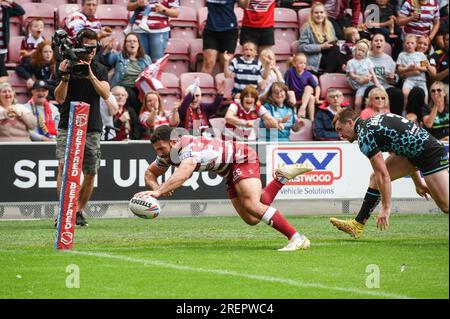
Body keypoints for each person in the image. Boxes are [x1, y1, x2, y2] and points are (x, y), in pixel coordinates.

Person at [138, 125, 315, 251]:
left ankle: (296, 238)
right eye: (157, 150)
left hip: (242, 158)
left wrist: (159, 191)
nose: (160, 154)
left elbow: (184, 173)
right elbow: (149, 174)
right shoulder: (167, 154)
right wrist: (155, 189)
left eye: (161, 148)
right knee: (251, 218)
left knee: (252, 205)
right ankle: (280, 179)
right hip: (229, 170)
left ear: (174, 141)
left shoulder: (188, 147)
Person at [330, 108, 449, 238]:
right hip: (417, 153)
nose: (340, 135)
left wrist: (386, 207)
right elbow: (401, 148)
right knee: (375, 178)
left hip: (430, 155)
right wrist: (418, 183)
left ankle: (358, 224)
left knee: (446, 206)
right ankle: (357, 225)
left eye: (340, 129)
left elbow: (383, 174)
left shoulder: (365, 135)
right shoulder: (372, 124)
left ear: (350, 122)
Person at [54, 28, 110, 227]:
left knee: (91, 171)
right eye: (87, 47)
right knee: (64, 167)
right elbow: (59, 97)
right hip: (67, 122)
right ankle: (64, 211)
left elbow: (105, 93)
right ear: (79, 45)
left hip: (92, 125)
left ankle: (78, 210)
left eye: (94, 47)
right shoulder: (66, 64)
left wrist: (90, 75)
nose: (91, 51)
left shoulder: (99, 68)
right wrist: (65, 75)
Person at [102, 32, 152, 115]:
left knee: (149, 96)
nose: (132, 43)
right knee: (132, 94)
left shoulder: (146, 58)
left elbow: (150, 74)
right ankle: (136, 118)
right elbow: (107, 61)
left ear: (138, 44)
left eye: (134, 41)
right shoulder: (119, 55)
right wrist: (108, 50)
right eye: (129, 41)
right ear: (125, 44)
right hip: (123, 86)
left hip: (141, 89)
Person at [201, 0, 250, 74]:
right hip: (211, 29)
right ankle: (202, 85)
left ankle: (223, 85)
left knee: (225, 65)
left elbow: (243, 5)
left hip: (229, 30)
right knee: (209, 62)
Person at [299, 1, 344, 74]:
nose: (319, 15)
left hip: (329, 55)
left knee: (339, 49)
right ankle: (328, 74)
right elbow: (302, 47)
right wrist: (321, 47)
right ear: (312, 14)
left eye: (321, 12)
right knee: (335, 50)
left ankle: (330, 73)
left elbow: (334, 39)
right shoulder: (306, 28)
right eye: (316, 13)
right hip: (315, 57)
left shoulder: (329, 24)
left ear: (325, 14)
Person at [363, 33, 403, 115]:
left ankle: (395, 120)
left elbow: (395, 78)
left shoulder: (388, 59)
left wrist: (393, 77)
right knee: (372, 91)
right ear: (371, 43)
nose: (379, 42)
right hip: (371, 85)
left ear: (384, 44)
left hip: (385, 85)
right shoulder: (365, 58)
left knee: (398, 94)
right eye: (376, 40)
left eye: (381, 41)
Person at [346, 39, 383, 112]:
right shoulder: (351, 62)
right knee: (357, 103)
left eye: (363, 51)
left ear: (366, 53)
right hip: (359, 85)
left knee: (376, 97)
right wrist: (361, 78)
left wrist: (377, 83)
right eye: (359, 50)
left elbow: (372, 73)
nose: (360, 52)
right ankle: (358, 119)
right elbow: (352, 75)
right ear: (354, 50)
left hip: (369, 83)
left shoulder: (368, 61)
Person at [397, 34, 430, 111]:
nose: (410, 45)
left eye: (412, 43)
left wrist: (417, 67)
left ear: (416, 44)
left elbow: (425, 68)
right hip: (409, 80)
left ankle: (425, 115)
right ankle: (404, 111)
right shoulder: (402, 55)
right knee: (405, 93)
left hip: (421, 80)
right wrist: (408, 69)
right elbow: (399, 69)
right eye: (407, 43)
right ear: (404, 44)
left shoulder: (421, 55)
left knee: (425, 96)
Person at [284, 53, 321, 121]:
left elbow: (317, 87)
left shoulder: (308, 74)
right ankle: (295, 116)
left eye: (304, 63)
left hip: (304, 96)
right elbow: (285, 85)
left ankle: (311, 119)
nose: (303, 65)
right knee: (291, 92)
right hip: (293, 96)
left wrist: (317, 97)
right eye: (300, 63)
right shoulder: (290, 71)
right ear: (294, 64)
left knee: (311, 94)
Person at [0, 0, 25, 83]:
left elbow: (21, 11)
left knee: (2, 71)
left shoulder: (5, 9)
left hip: (2, 46)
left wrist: (10, 2)